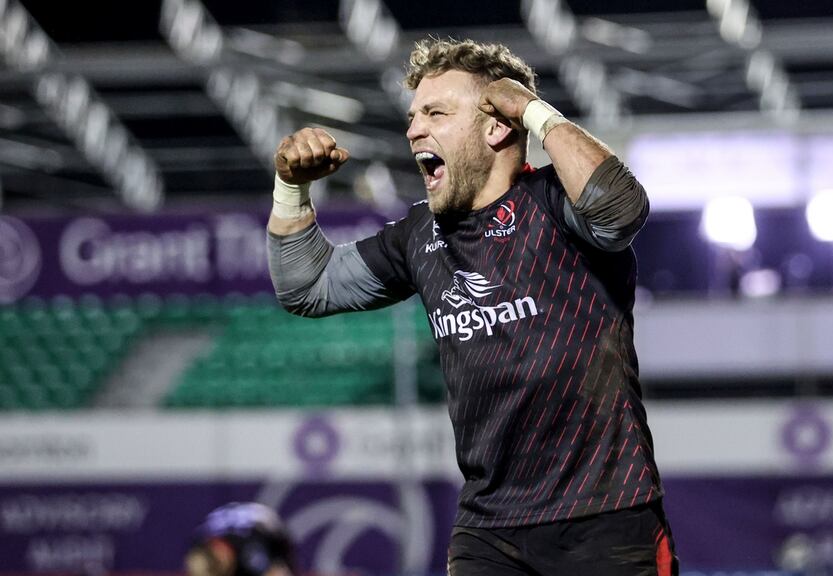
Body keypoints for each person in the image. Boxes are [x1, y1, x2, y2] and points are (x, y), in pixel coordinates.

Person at [267, 38, 678, 576]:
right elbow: (307, 285)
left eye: (435, 113)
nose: (414, 130)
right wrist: (290, 188)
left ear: (495, 126)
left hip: (605, 515)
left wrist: (535, 111)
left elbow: (621, 211)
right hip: (489, 528)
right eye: (414, 115)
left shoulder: (557, 203)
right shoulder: (420, 234)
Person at [184, 502, 295, 576]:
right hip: (226, 519)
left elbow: (275, 572)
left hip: (269, 530)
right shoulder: (200, 542)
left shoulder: (250, 550)